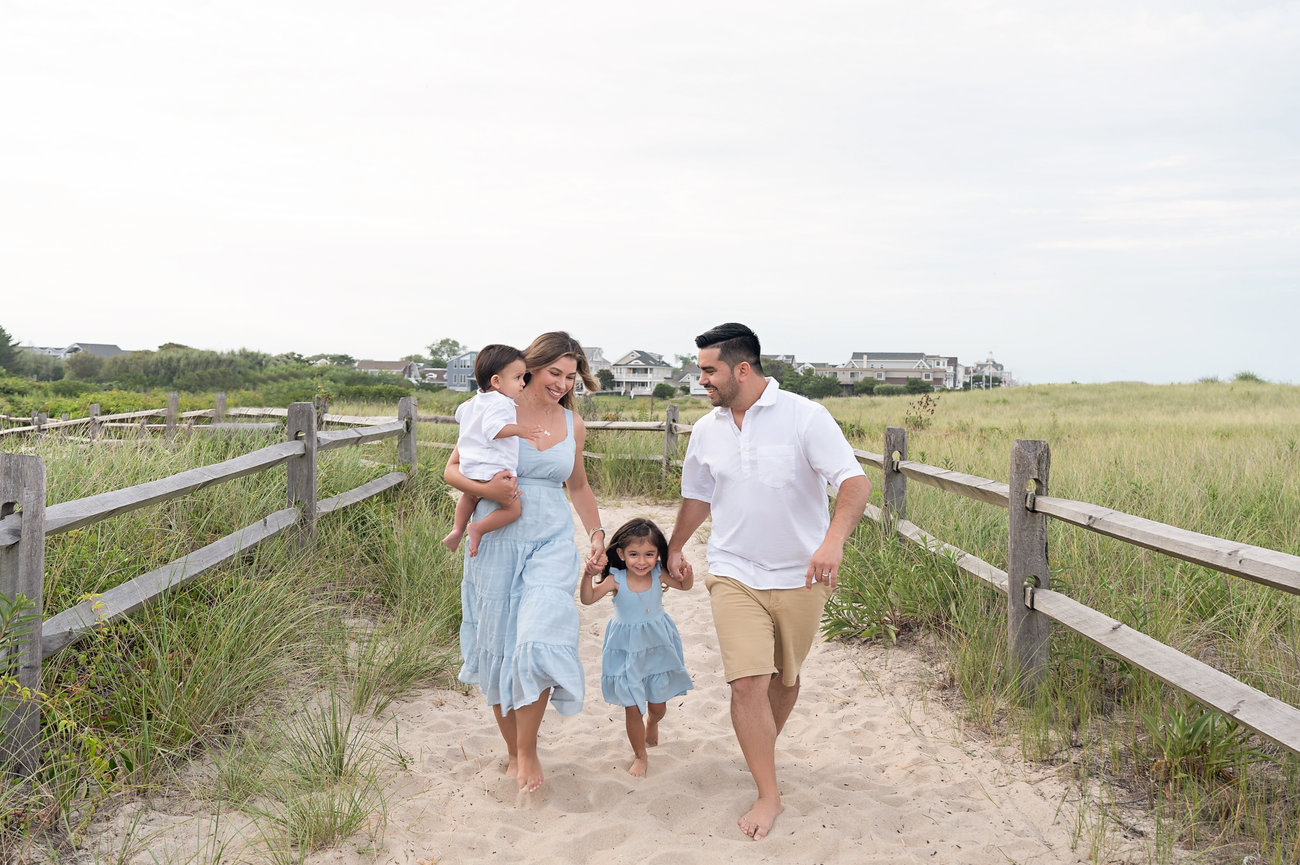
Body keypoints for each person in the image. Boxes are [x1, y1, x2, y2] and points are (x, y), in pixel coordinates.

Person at [666, 322, 871, 841]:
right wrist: (674, 545)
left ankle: (761, 754)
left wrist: (833, 541)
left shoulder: (806, 416)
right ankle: (768, 792)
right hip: (733, 570)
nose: (701, 381)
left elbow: (854, 482)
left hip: (802, 573)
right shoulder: (707, 428)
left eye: (709, 371)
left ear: (742, 368)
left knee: (785, 679)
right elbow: (698, 495)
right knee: (747, 682)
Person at [444, 331, 606, 794]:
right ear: (530, 366)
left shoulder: (573, 423)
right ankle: (513, 752)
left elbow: (577, 486)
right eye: (554, 372)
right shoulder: (496, 407)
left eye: (571, 377)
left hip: (550, 541)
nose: (561, 383)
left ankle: (529, 750)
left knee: (539, 635)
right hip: (494, 539)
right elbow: (453, 469)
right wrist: (487, 491)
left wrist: (596, 534)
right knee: (498, 650)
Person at [579, 517, 694, 777]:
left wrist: (687, 571)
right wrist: (588, 576)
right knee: (632, 705)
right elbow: (587, 600)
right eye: (634, 554)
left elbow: (685, 586)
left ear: (657, 555)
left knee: (657, 705)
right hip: (626, 650)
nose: (642, 561)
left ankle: (653, 721)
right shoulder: (616, 579)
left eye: (649, 554)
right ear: (621, 553)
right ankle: (640, 755)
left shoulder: (657, 574)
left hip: (657, 648)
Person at [441, 344, 546, 556]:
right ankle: (477, 528)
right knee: (513, 509)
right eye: (517, 378)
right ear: (496, 381)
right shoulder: (502, 402)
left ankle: (457, 529)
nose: (523, 383)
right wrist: (521, 430)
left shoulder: (474, 402)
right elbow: (493, 430)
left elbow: (459, 414)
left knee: (469, 497)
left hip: (470, 469)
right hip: (494, 471)